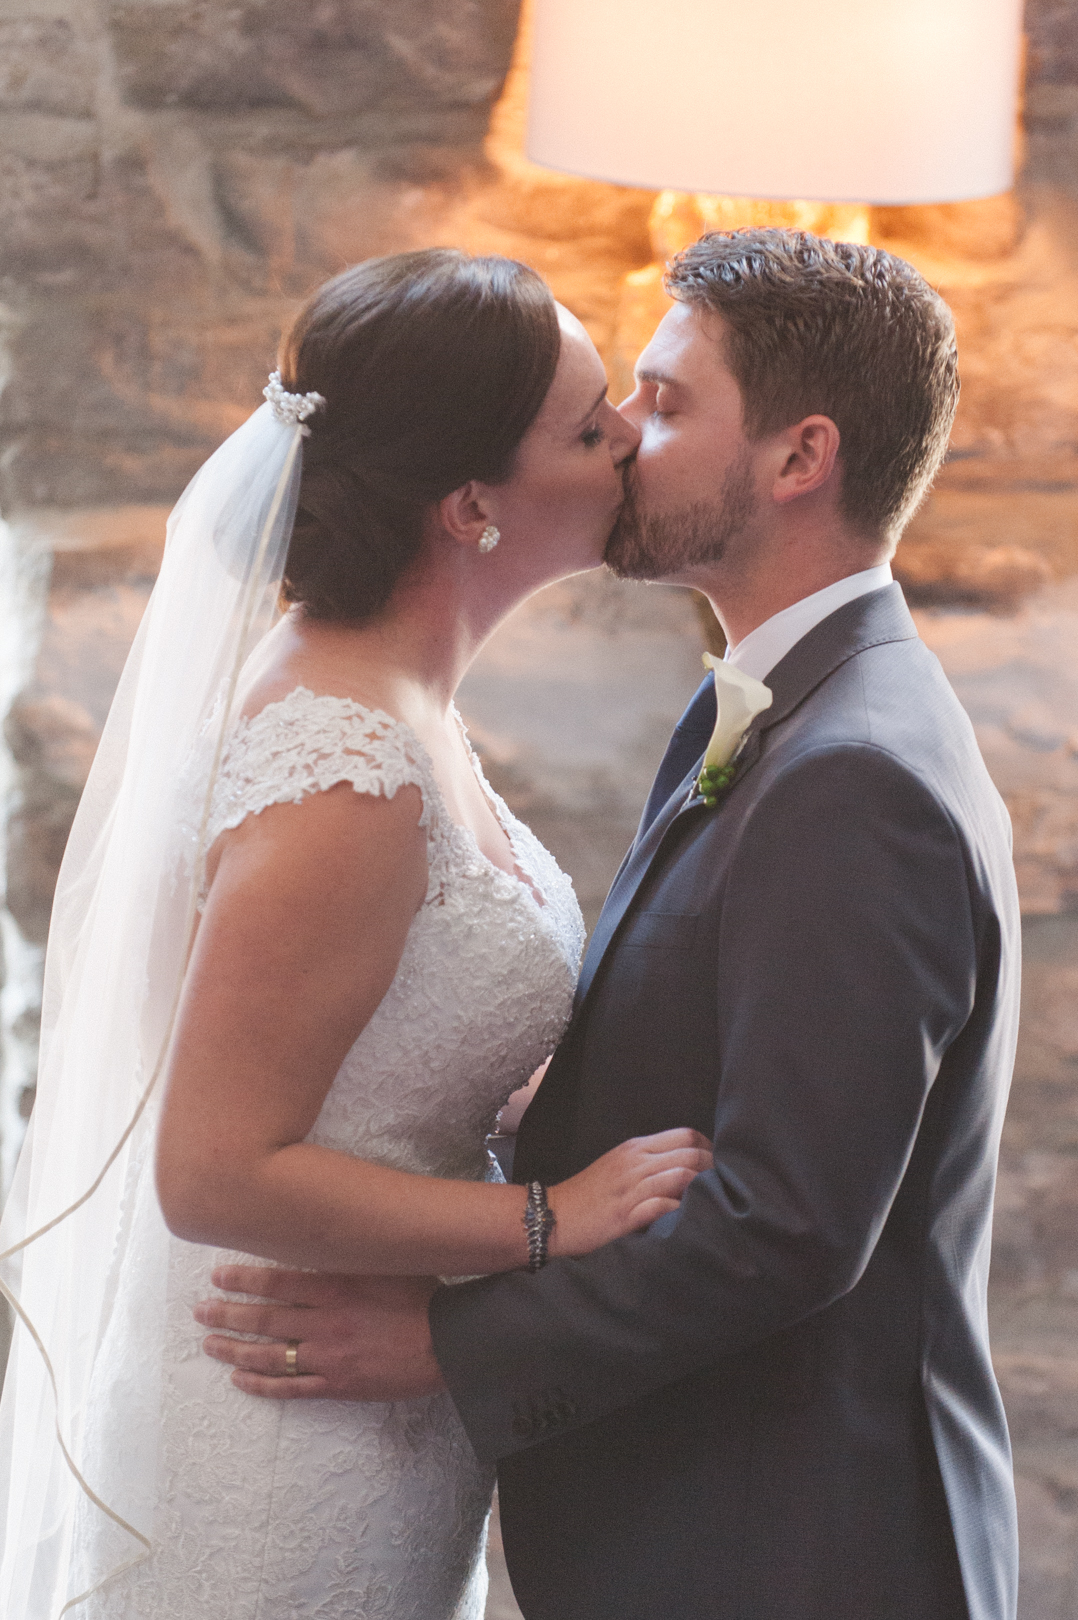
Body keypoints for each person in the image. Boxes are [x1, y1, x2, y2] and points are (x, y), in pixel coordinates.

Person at [202, 232, 1022, 1620]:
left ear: (796, 457)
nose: (624, 437)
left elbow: (787, 1228)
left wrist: (445, 1347)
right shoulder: (771, 702)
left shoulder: (854, 774)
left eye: (665, 399)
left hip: (793, 1552)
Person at [0, 249, 714, 1620]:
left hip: (372, 1409)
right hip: (281, 1436)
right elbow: (212, 1173)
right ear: (470, 508)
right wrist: (546, 1224)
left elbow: (380, 1054)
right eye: (583, 426)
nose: (625, 435)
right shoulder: (346, 773)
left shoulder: (395, 707)